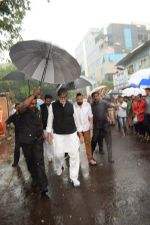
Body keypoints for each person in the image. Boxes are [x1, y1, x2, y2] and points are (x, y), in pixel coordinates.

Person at [46, 88, 84, 187]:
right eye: (61, 97)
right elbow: (49, 120)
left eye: (64, 97)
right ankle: (59, 165)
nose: (63, 99)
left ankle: (74, 178)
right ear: (58, 97)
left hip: (71, 134)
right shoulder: (52, 106)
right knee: (58, 154)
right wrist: (49, 134)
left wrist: (80, 134)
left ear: (67, 97)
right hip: (58, 135)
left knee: (74, 155)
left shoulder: (71, 105)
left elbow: (77, 120)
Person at [18, 88, 48, 195]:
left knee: (39, 162)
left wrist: (42, 134)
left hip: (37, 141)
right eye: (31, 103)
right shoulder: (23, 111)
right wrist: (34, 94)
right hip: (26, 142)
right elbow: (22, 106)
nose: (33, 105)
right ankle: (34, 178)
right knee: (30, 162)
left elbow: (39, 123)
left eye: (35, 103)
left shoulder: (38, 111)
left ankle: (43, 185)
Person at [74, 93, 96, 166]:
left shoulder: (87, 105)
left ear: (83, 98)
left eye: (81, 99)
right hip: (77, 129)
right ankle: (76, 160)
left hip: (86, 127)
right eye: (78, 99)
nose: (79, 100)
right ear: (76, 99)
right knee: (76, 145)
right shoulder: (73, 106)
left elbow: (90, 116)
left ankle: (90, 159)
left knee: (88, 143)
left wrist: (91, 124)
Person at [91, 92, 114, 163]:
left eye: (96, 96)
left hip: (105, 125)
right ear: (92, 98)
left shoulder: (104, 103)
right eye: (94, 96)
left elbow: (111, 105)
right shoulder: (91, 106)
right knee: (94, 140)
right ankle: (90, 157)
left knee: (108, 141)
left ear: (99, 96)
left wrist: (115, 105)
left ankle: (110, 158)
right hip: (96, 126)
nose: (95, 97)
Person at [40, 94, 54, 162]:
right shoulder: (41, 107)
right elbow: (40, 120)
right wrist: (42, 130)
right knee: (47, 142)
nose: (48, 102)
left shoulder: (53, 106)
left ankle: (54, 154)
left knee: (53, 142)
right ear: (45, 100)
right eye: (47, 101)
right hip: (45, 128)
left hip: (53, 127)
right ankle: (49, 156)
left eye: (49, 101)